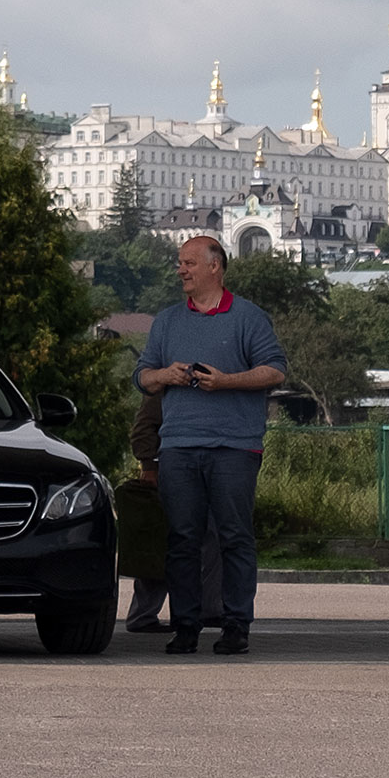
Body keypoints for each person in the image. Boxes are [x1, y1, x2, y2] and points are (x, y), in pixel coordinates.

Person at [134, 235, 287, 656]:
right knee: (181, 538)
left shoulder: (248, 317)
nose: (181, 270)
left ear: (214, 267)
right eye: (179, 264)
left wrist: (226, 382)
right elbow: (142, 377)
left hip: (235, 447)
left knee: (234, 537)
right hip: (179, 447)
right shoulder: (166, 321)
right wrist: (166, 374)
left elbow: (275, 371)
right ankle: (185, 626)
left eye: (188, 263)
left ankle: (236, 625)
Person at [121, 390, 223, 633]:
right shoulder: (169, 384)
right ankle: (142, 614)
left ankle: (209, 609)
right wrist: (149, 466)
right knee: (166, 542)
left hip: (206, 468)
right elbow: (144, 426)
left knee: (213, 538)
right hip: (170, 472)